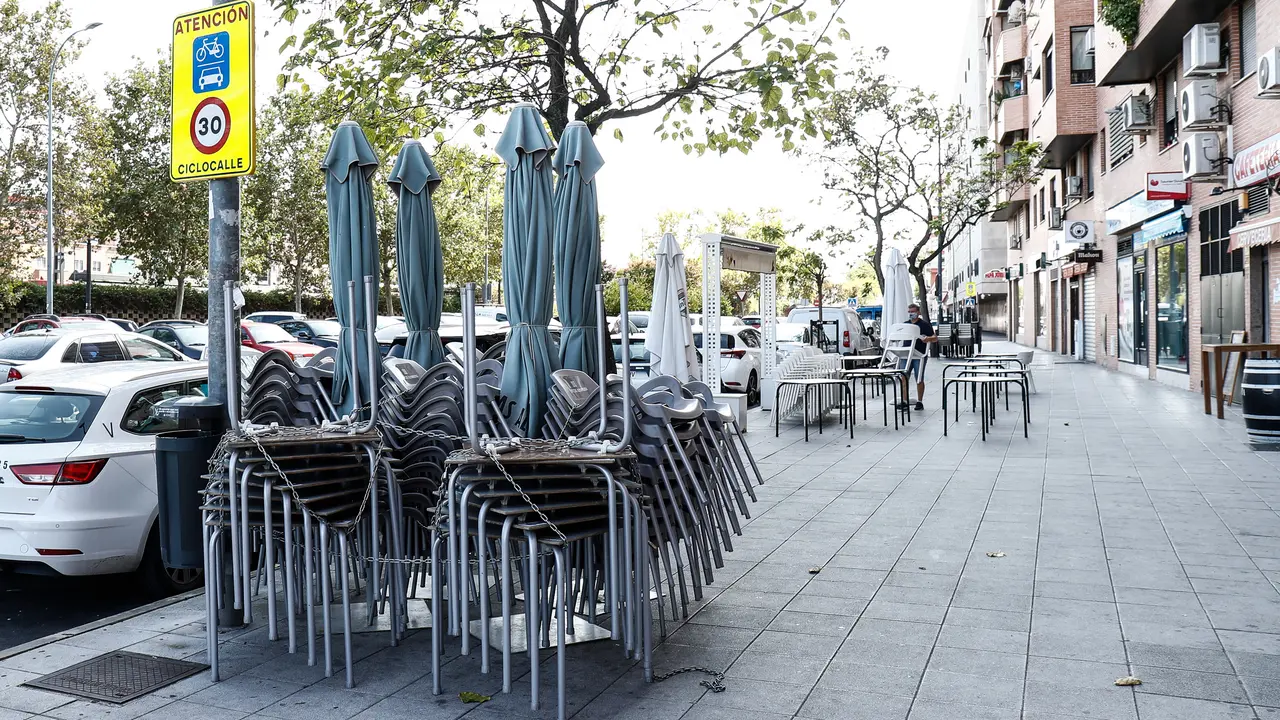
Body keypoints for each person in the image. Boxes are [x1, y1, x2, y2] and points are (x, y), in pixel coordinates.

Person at [898, 304, 937, 412]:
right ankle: (904, 401)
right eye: (909, 312)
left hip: (919, 355)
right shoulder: (905, 324)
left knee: (919, 378)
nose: (911, 314)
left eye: (913, 311)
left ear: (918, 312)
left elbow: (935, 338)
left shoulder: (924, 325)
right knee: (903, 377)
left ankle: (919, 401)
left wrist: (928, 338)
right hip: (906, 354)